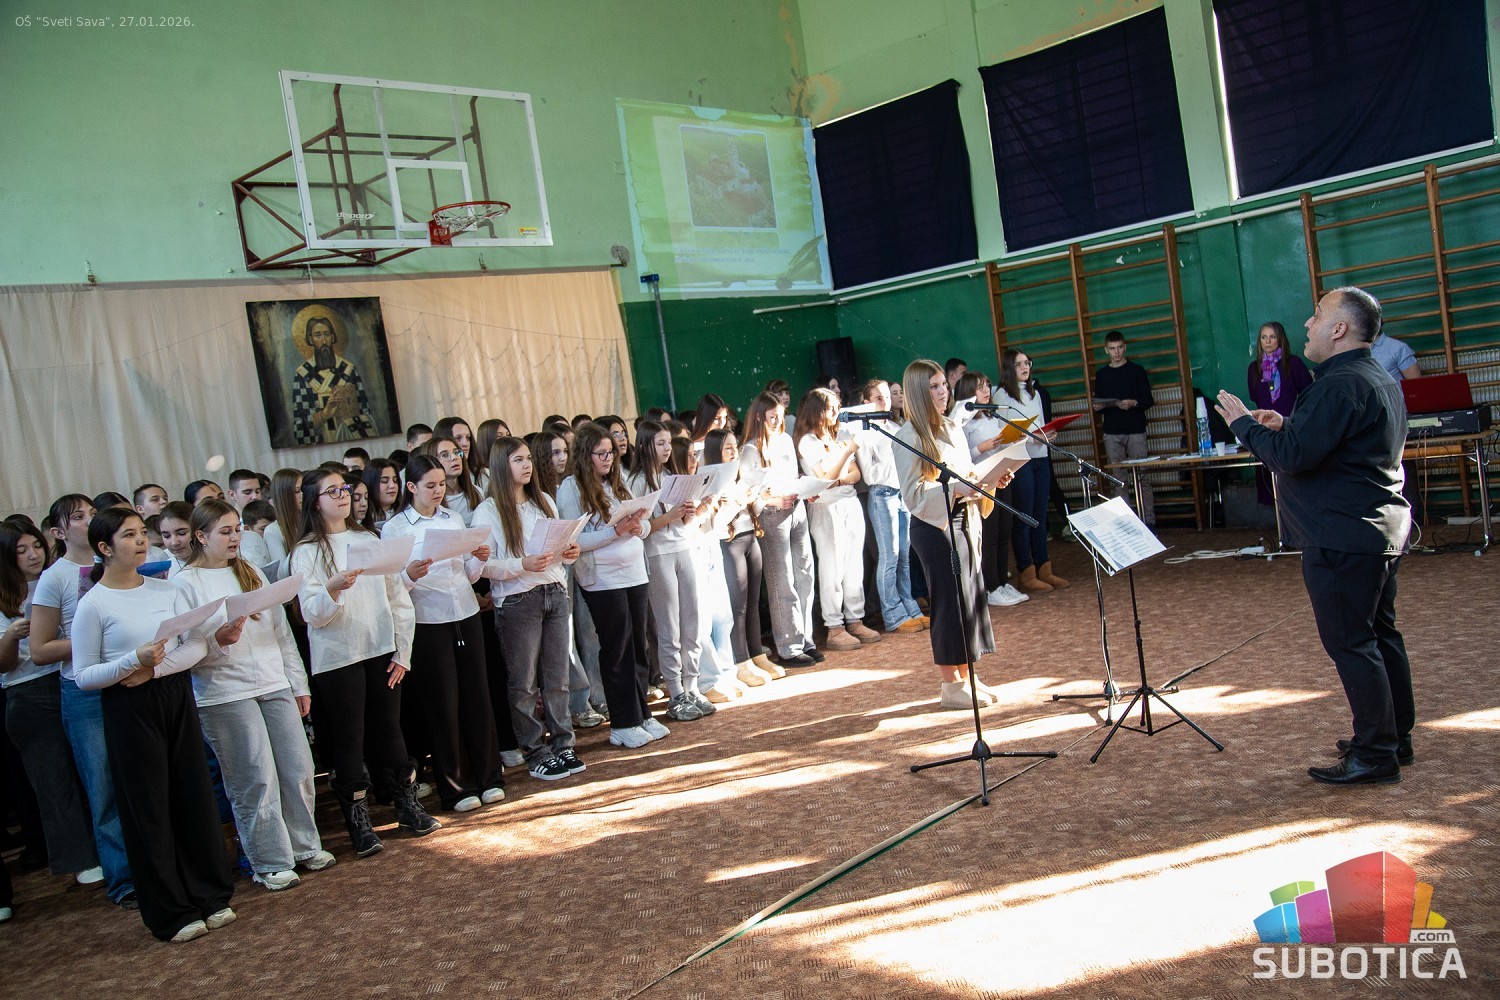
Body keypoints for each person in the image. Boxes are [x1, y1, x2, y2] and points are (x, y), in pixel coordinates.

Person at [1215, 286, 1413, 786]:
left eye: (1318, 314)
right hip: (1374, 529)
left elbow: (1291, 457)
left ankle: (1376, 753)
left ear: (1339, 329)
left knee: (1352, 642)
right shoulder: (1373, 377)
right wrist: (1288, 422)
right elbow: (1337, 439)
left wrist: (1244, 426)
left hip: (1344, 533)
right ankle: (1394, 737)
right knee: (1378, 636)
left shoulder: (1338, 385)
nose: (1307, 323)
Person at [71, 507, 242, 942]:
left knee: (192, 794)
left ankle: (210, 895)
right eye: (128, 536)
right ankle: (171, 911)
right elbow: (83, 675)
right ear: (105, 548)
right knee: (149, 806)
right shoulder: (94, 604)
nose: (141, 541)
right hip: (129, 706)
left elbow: (197, 645)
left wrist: (155, 669)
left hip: (174, 694)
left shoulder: (166, 588)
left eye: (141, 533)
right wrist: (133, 661)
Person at [172, 500, 334, 891]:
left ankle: (304, 846)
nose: (234, 538)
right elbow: (183, 650)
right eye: (225, 531)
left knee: (297, 768)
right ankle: (270, 861)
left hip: (273, 681)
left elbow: (281, 633)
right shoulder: (184, 582)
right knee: (254, 778)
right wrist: (219, 641)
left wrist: (297, 683)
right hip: (224, 692)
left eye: (237, 529)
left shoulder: (250, 571)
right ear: (201, 536)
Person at [291, 468, 439, 853]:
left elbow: (397, 598)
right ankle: (359, 823)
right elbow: (312, 614)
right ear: (314, 501)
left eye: (344, 488)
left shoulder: (368, 538)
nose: (343, 495)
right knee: (349, 738)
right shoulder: (306, 550)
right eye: (332, 491)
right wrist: (333, 589)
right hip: (338, 657)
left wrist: (403, 652)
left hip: (380, 648)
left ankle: (407, 806)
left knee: (390, 730)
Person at [29, 496, 139, 910]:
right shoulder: (54, 577)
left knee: (142, 776)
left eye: (93, 513)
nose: (89, 521)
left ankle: (157, 863)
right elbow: (39, 649)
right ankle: (124, 879)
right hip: (84, 689)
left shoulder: (115, 563)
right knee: (103, 785)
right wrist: (91, 637)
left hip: (131, 679)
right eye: (78, 517)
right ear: (59, 532)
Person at [381, 455, 503, 812]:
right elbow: (389, 586)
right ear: (411, 487)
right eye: (430, 485)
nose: (438, 491)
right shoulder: (396, 528)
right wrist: (409, 576)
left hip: (464, 612)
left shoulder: (452, 518)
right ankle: (456, 786)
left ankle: (490, 777)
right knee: (443, 704)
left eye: (441, 485)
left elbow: (468, 574)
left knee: (477, 697)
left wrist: (479, 558)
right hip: (427, 620)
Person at [894, 360, 1014, 709]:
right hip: (935, 527)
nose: (943, 391)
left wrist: (991, 479)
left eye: (943, 385)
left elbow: (968, 474)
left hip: (965, 519)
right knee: (949, 604)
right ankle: (951, 685)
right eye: (933, 386)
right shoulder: (908, 437)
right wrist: (957, 490)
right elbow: (914, 495)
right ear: (918, 392)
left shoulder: (951, 426)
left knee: (969, 599)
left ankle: (968, 676)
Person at [474, 436, 585, 780]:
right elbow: (482, 566)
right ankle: (535, 750)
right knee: (523, 683)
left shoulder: (544, 500)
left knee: (557, 678)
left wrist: (569, 553)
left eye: (528, 459)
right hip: (518, 599)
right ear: (501, 466)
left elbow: (559, 549)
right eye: (518, 460)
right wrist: (522, 564)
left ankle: (563, 744)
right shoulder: (488, 510)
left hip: (554, 591)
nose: (527, 465)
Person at [0, 520, 104, 889]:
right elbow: (4, 665)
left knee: (95, 771)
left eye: (36, 546)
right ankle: (80, 859)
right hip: (27, 691)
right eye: (21, 550)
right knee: (54, 780)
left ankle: (110, 849)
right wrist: (11, 636)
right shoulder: (5, 596)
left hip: (70, 678)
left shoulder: (60, 578)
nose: (33, 555)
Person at [557, 423, 665, 749]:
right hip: (602, 579)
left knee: (639, 647)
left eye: (611, 453)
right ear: (584, 454)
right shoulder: (571, 488)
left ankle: (642, 713)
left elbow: (643, 527)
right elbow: (575, 540)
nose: (608, 458)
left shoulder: (618, 482)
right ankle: (623, 722)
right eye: (601, 453)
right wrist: (616, 532)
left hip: (635, 573)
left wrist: (639, 526)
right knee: (617, 648)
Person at [627, 420, 709, 721]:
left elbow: (683, 521)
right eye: (660, 443)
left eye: (668, 443)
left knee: (692, 620)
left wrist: (690, 512)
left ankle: (692, 686)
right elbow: (639, 529)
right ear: (645, 445)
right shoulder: (636, 482)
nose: (666, 448)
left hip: (683, 547)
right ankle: (676, 693)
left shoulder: (671, 476)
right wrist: (671, 516)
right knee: (669, 626)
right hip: (658, 554)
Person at [795, 388, 881, 651]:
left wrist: (839, 476)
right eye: (831, 407)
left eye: (837, 406)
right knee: (832, 568)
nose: (836, 412)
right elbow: (824, 479)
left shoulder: (840, 435)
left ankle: (855, 619)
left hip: (849, 502)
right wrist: (845, 455)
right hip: (826, 507)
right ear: (817, 410)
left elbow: (855, 474)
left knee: (854, 564)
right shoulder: (808, 441)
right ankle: (834, 627)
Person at [741, 392, 819, 667]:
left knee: (805, 575)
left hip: (797, 508)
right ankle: (789, 646)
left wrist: (807, 488)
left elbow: (792, 476)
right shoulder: (750, 449)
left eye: (780, 416)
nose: (777, 421)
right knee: (782, 579)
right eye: (772, 417)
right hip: (772, 515)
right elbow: (749, 492)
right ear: (759, 417)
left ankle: (806, 639)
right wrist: (773, 500)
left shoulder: (785, 439)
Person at [852, 380, 927, 634]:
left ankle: (910, 607)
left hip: (901, 493)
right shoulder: (864, 432)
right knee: (889, 555)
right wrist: (894, 466)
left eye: (886, 397)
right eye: (878, 398)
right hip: (882, 493)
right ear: (866, 403)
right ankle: (893, 614)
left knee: (904, 555)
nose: (885, 402)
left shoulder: (895, 427)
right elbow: (870, 473)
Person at [997, 350, 1067, 591]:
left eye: (1027, 362)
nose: (1025, 367)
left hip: (1040, 458)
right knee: (1025, 517)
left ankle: (1044, 568)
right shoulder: (1002, 395)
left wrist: (1047, 434)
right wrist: (1031, 438)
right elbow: (1003, 436)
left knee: (1040, 515)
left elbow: (1039, 425)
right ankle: (1026, 572)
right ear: (1009, 367)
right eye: (1018, 364)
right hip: (1021, 460)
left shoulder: (1034, 392)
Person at [1246, 322, 1314, 505]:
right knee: (1269, 480)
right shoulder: (1254, 369)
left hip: (1290, 426)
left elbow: (1308, 393)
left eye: (1272, 337)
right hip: (1265, 429)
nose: (1267, 341)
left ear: (1280, 339)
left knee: (1293, 476)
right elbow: (1255, 397)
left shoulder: (1294, 364)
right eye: (1264, 337)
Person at [1092, 330, 1155, 526]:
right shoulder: (1102, 375)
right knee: (1118, 480)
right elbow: (1099, 403)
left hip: (1135, 429)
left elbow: (1148, 400)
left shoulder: (1136, 370)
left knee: (1142, 476)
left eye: (1119, 347)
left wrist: (1134, 403)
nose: (1116, 352)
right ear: (1106, 350)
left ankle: (1148, 521)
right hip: (1112, 431)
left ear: (1124, 347)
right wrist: (1100, 406)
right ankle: (1126, 524)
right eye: (1112, 348)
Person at [290, 313, 377, 445]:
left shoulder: (348, 370)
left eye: (327, 334)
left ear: (332, 337)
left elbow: (364, 411)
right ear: (310, 339)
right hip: (321, 445)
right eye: (318, 335)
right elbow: (300, 425)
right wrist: (324, 414)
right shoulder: (303, 374)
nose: (324, 341)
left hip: (351, 440)